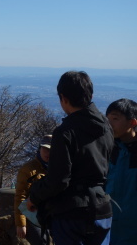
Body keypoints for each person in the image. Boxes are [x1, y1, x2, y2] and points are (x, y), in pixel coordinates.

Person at [28, 71, 113, 245]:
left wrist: (34, 196)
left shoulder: (65, 132)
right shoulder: (106, 126)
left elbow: (59, 180)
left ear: (63, 98)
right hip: (102, 208)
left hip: (71, 213)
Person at [104, 98, 137, 245]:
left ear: (132, 123)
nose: (109, 124)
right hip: (107, 227)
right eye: (108, 118)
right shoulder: (106, 149)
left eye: (115, 119)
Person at [14, 135, 51, 245]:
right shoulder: (28, 169)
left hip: (52, 215)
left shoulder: (58, 169)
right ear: (39, 148)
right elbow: (20, 195)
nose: (47, 153)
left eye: (51, 150)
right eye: (45, 149)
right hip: (32, 216)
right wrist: (21, 224)